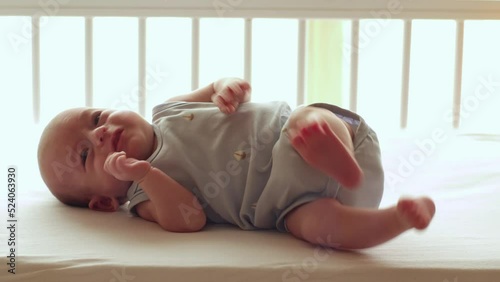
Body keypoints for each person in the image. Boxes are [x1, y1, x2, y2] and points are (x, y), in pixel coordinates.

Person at [38, 77, 435, 249]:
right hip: (293, 202)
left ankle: (336, 152)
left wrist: (228, 87)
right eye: (87, 153)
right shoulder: (144, 196)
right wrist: (143, 172)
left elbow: (215, 90)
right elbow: (188, 218)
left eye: (96, 118)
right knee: (314, 229)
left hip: (304, 140)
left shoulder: (168, 111)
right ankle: (394, 220)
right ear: (104, 203)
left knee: (305, 119)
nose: (102, 132)